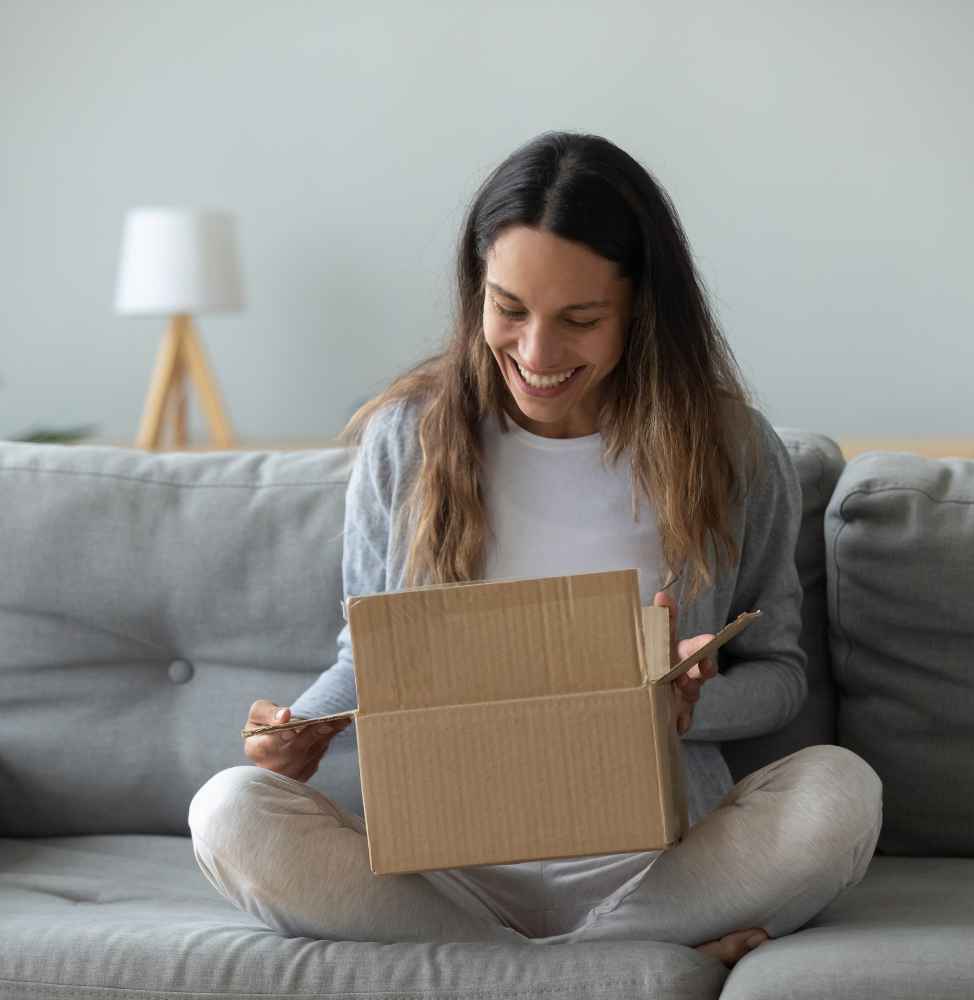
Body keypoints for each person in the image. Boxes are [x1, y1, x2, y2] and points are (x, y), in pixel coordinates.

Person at [188, 130, 882, 967]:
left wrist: (692, 704)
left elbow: (779, 676)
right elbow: (369, 653)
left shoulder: (733, 451)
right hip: (445, 872)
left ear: (643, 312)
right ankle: (622, 965)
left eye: (581, 321)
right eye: (509, 311)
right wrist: (304, 726)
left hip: (661, 863)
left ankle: (506, 967)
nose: (537, 356)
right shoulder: (409, 439)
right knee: (229, 808)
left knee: (842, 791)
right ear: (475, 290)